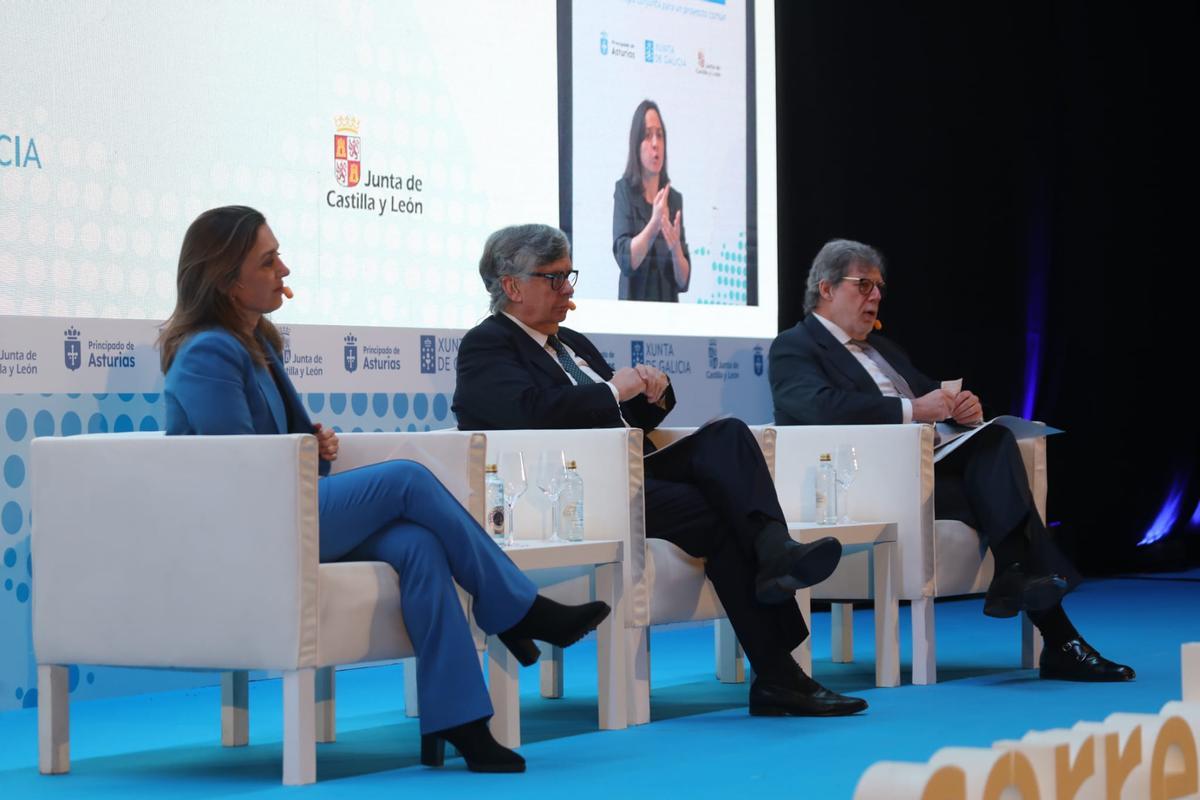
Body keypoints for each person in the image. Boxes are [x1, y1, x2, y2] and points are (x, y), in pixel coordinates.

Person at [159, 206, 611, 773]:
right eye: (268, 261)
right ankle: (519, 610)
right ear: (226, 279)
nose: (284, 270)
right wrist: (298, 452)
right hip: (252, 522)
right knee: (405, 478)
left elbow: (281, 448)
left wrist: (311, 442)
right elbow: (241, 468)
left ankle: (461, 722)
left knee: (417, 544)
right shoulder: (207, 351)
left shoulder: (259, 343)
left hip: (287, 506)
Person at [453, 223, 866, 716]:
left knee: (729, 434)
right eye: (555, 278)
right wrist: (613, 389)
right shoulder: (488, 345)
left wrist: (652, 393)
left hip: (630, 470)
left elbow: (618, 418)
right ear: (513, 286)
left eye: (570, 276)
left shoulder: (572, 343)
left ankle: (774, 552)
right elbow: (529, 413)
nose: (568, 292)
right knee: (720, 518)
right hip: (571, 493)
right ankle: (779, 668)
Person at [768, 238, 1134, 682]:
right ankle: (1055, 632)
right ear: (826, 289)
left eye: (879, 287)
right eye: (863, 285)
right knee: (998, 491)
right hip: (863, 482)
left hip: (926, 470)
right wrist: (913, 411)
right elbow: (819, 407)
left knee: (994, 439)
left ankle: (1024, 585)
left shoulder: (885, 350)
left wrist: (961, 410)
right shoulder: (793, 346)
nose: (876, 296)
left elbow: (931, 397)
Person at [612, 99, 690, 302]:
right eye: (647, 136)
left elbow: (683, 281)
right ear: (636, 144)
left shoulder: (673, 199)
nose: (655, 144)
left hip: (668, 315)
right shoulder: (624, 191)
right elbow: (625, 261)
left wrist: (675, 249)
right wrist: (654, 224)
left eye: (660, 135)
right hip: (633, 313)